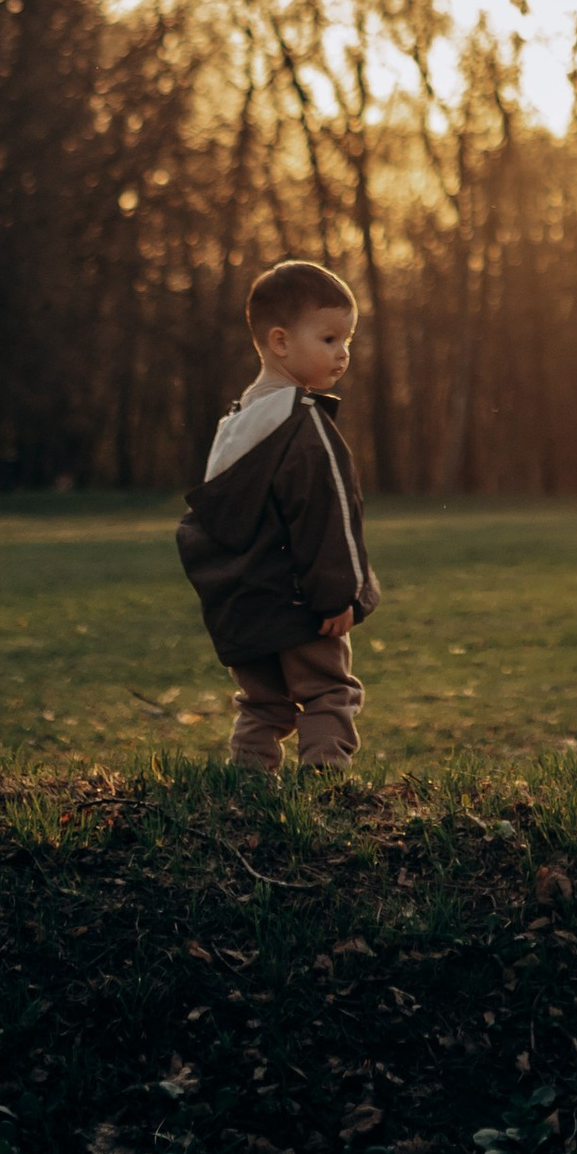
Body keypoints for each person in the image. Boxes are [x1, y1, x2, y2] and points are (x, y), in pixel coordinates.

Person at [176, 259, 380, 772]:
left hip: (242, 604)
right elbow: (330, 514)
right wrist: (341, 593)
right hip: (299, 603)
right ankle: (325, 781)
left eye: (347, 340)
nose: (343, 352)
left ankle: (248, 780)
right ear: (281, 342)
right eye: (329, 338)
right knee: (328, 692)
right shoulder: (304, 423)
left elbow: (216, 520)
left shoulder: (235, 423)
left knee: (263, 703)